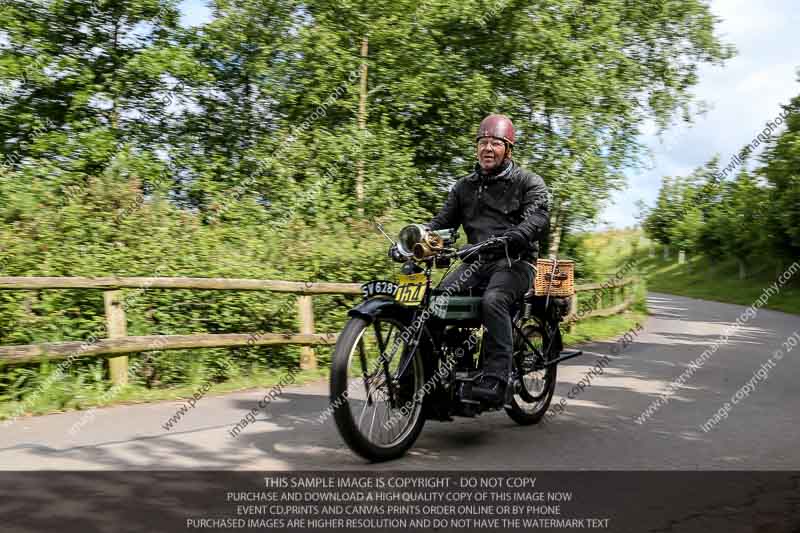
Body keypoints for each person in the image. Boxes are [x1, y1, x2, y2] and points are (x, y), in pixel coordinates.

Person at [426, 114, 550, 406]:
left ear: (508, 149)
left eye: (496, 143)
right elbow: (442, 224)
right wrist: (420, 239)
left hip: (515, 261)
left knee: (493, 300)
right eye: (482, 142)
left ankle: (495, 378)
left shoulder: (527, 182)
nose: (487, 148)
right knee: (436, 301)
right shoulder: (463, 187)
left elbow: (539, 216)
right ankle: (421, 376)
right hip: (475, 262)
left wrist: (518, 234)